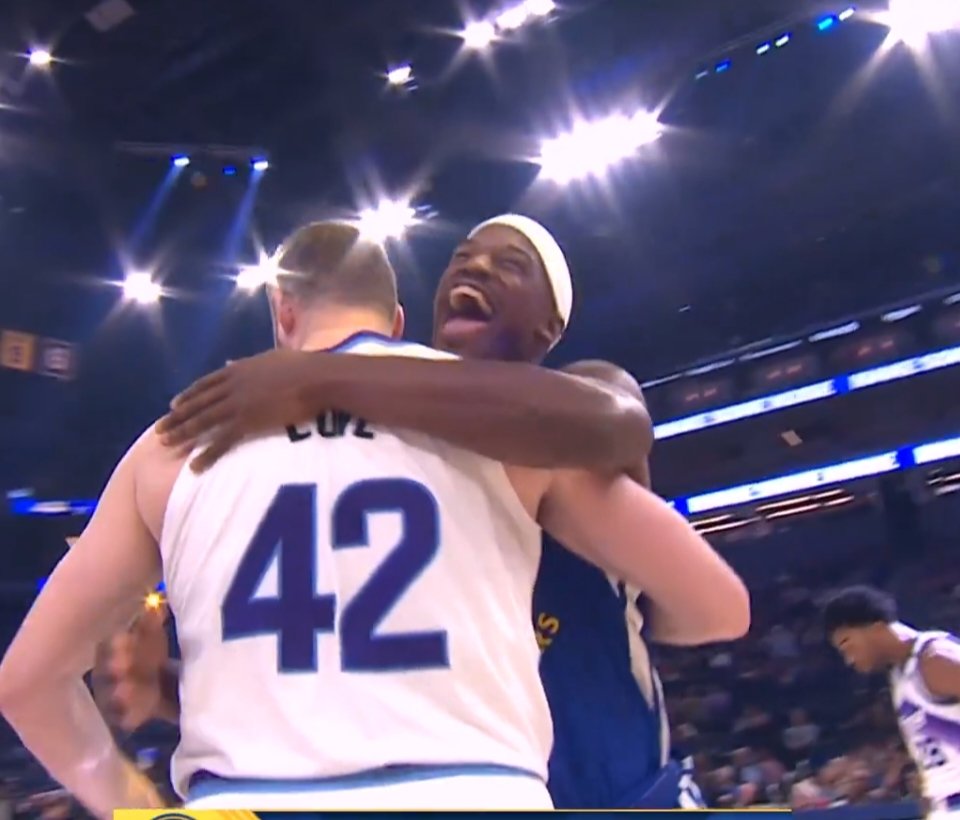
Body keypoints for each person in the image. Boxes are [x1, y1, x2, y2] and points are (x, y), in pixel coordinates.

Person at [0, 221, 747, 817]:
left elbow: (25, 684)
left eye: (505, 263)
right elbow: (722, 605)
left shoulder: (179, 439)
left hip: (255, 802)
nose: (475, 271)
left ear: (282, 312)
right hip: (479, 789)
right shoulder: (525, 445)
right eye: (462, 258)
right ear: (396, 322)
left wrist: (134, 809)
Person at [824, 585, 960, 819]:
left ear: (877, 628)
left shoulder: (934, 659)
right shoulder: (900, 675)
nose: (848, 659)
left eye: (848, 644)